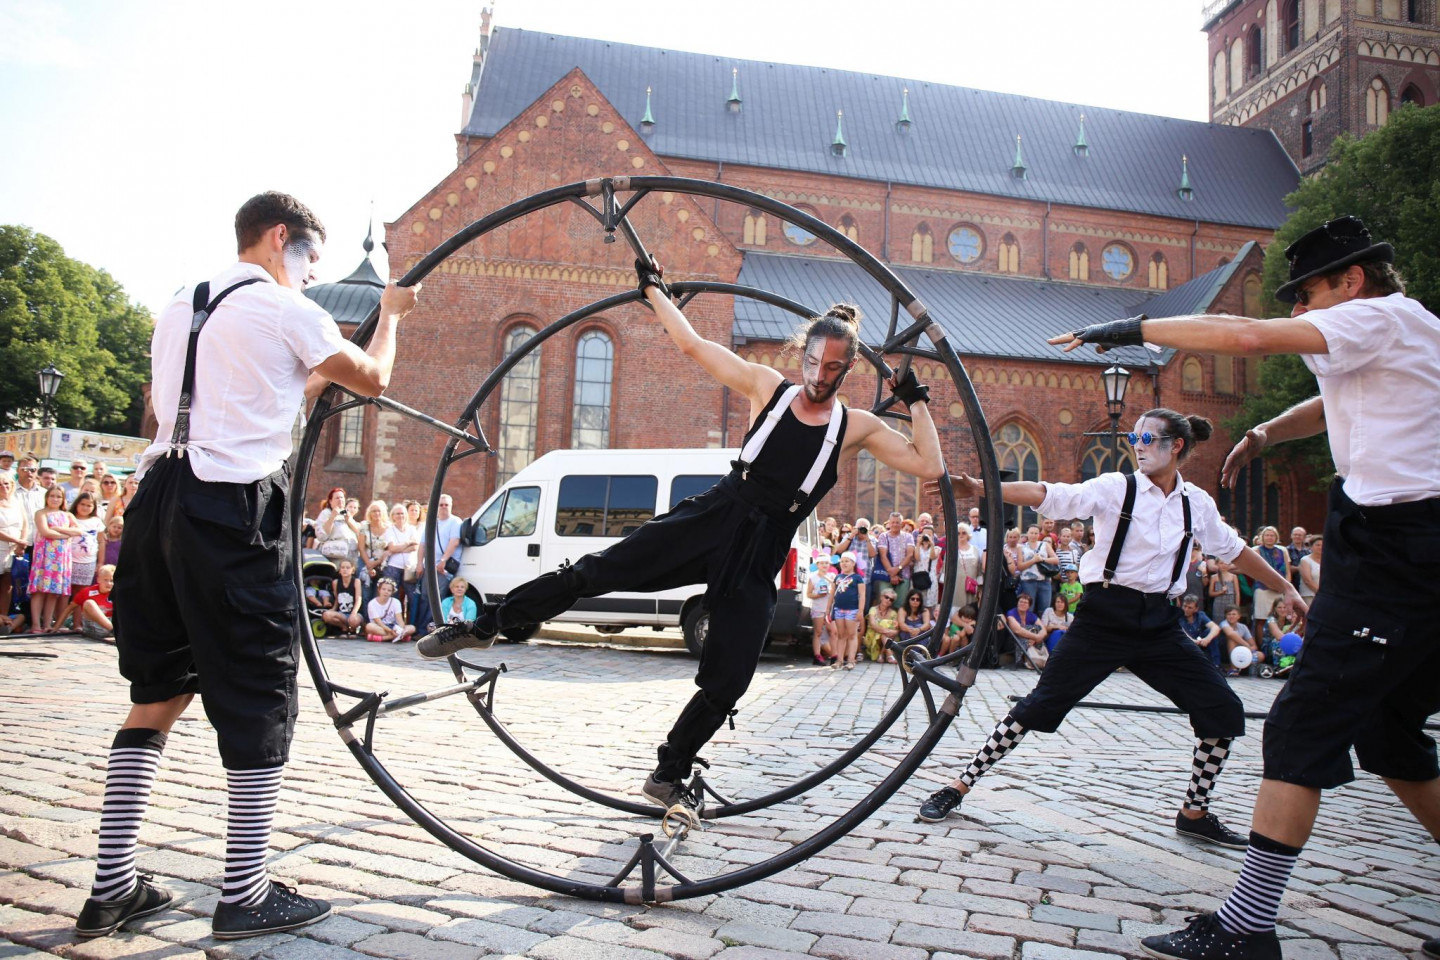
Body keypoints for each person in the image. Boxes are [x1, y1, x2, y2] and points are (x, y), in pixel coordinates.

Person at [415, 259, 944, 818]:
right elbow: (692, 345)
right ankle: (485, 625)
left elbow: (927, 464)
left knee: (730, 678)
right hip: (714, 515)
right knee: (594, 572)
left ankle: (668, 773)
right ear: (802, 354)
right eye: (812, 362)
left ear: (848, 368)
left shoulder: (854, 427)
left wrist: (915, 400)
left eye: (832, 368)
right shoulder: (768, 387)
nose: (818, 375)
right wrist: (655, 293)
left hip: (761, 551)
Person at [1058, 216, 1440, 960]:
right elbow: (1332, 404)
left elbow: (1245, 334)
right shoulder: (1407, 328)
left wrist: (1128, 329)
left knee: (1299, 726)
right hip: (1406, 542)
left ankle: (1245, 928)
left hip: (1393, 547)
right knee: (1389, 733)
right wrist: (1266, 433)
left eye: (1307, 293)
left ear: (1352, 281)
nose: (1296, 308)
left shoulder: (1375, 317)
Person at [74, 192, 418, 941]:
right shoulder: (285, 306)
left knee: (160, 689)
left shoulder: (182, 303)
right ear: (277, 236)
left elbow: (265, 390)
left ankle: (112, 889)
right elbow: (373, 379)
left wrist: (317, 370)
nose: (313, 272)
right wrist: (390, 315)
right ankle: (245, 893)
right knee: (261, 689)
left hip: (158, 500)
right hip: (231, 507)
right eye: (310, 256)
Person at [915, 409, 1303, 853]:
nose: (1137, 446)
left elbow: (1235, 551)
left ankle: (1194, 813)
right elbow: (1050, 494)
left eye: (1146, 438)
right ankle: (959, 785)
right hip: (1103, 618)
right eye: (1134, 438)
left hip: (1159, 624)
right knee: (1040, 705)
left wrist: (1287, 587)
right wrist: (982, 487)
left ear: (1175, 445)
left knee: (1223, 708)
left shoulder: (1196, 502)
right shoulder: (1116, 487)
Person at [29, 485, 81, 633]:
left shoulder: (67, 515)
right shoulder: (41, 513)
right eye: (52, 496)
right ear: (47, 497)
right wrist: (66, 535)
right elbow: (46, 532)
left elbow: (78, 531)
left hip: (60, 558)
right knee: (39, 590)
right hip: (44, 556)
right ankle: (35, 624)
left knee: (53, 591)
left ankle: (47, 624)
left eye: (59, 496)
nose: (55, 499)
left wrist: (58, 529)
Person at [414, 492, 462, 631]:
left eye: (446, 504)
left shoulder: (455, 521)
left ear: (451, 506)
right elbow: (422, 544)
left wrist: (443, 560)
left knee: (437, 599)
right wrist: (419, 563)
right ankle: (421, 628)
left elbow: (454, 542)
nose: (444, 507)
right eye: (441, 505)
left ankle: (430, 629)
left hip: (443, 568)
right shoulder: (431, 522)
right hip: (429, 567)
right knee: (424, 597)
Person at [825, 552, 866, 670]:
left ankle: (851, 661)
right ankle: (839, 660)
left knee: (852, 635)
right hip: (839, 609)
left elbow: (862, 595)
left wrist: (860, 611)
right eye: (842, 561)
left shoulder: (858, 578)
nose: (844, 563)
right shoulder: (837, 577)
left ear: (853, 563)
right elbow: (832, 594)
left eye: (847, 561)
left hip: (852, 610)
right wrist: (828, 608)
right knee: (841, 635)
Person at [0, 472, 30, 621]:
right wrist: (16, 540)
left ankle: (3, 617)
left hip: (14, 549)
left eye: (6, 483)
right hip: (2, 546)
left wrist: (21, 543)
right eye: (0, 484)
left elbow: (25, 524)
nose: (3, 487)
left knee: (7, 585)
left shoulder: (16, 502)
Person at [63, 564, 116, 643]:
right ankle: (114, 630)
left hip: (112, 624)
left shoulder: (117, 592)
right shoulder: (87, 591)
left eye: (111, 581)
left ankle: (120, 631)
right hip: (94, 628)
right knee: (89, 603)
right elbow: (69, 608)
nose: (109, 583)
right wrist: (56, 627)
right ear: (98, 579)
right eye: (105, 580)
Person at [1016, 523, 1059, 613]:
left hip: (1044, 581)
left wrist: (1042, 559)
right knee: (1029, 608)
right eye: (1031, 533)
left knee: (1045, 609)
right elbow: (1019, 566)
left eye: (1036, 533)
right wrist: (1033, 560)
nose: (1033, 535)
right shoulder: (1021, 547)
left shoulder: (1045, 545)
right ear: (1027, 533)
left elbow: (1056, 560)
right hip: (1028, 581)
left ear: (1039, 534)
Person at [69, 492, 105, 595]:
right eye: (82, 504)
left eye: (89, 505)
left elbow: (101, 542)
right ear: (76, 504)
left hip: (88, 562)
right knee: (67, 590)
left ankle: (78, 607)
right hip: (70, 560)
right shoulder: (69, 518)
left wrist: (100, 562)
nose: (85, 508)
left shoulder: (96, 521)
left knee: (82, 592)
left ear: (94, 507)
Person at [874, 511, 915, 601]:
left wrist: (898, 569)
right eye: (893, 522)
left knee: (900, 604)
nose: (895, 524)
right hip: (886, 575)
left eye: (897, 522)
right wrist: (892, 573)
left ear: (901, 523)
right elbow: (883, 556)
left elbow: (909, 555)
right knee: (884, 603)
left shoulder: (908, 537)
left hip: (904, 575)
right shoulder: (883, 536)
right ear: (889, 523)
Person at [1178, 594, 1223, 671]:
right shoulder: (1179, 616)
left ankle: (1216, 665)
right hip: (1185, 644)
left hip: (1199, 643)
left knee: (1210, 632)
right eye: (1184, 606)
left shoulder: (1200, 615)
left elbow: (1215, 627)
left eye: (1189, 608)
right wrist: (1194, 641)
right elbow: (1181, 632)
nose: (1186, 609)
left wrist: (1207, 639)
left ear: (1196, 609)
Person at [805, 553, 836, 665]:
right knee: (818, 631)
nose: (824, 565)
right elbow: (808, 594)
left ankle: (834, 656)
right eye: (822, 563)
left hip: (829, 609)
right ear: (817, 564)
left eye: (826, 563)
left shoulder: (832, 576)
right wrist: (818, 595)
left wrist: (825, 577)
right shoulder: (812, 577)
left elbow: (835, 587)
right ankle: (817, 656)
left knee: (833, 631)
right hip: (818, 607)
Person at [1005, 592, 1048, 669]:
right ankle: (1034, 661)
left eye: (1025, 603)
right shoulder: (1011, 613)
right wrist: (1035, 637)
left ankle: (1041, 659)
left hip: (1031, 641)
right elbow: (1017, 630)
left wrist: (1037, 638)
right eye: (1021, 602)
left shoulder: (1031, 615)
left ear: (1029, 606)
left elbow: (1044, 630)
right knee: (1032, 630)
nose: (1022, 604)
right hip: (1013, 641)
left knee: (1037, 629)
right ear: (1017, 603)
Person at [365, 577, 416, 642]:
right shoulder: (372, 603)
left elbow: (400, 620)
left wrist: (400, 630)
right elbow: (379, 622)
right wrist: (391, 631)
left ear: (392, 592)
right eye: (383, 589)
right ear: (379, 590)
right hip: (380, 627)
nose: (386, 592)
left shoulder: (396, 602)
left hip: (394, 627)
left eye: (389, 590)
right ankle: (396, 637)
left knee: (412, 628)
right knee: (369, 626)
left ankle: (383, 637)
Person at [322, 560, 364, 636]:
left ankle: (353, 630)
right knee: (326, 615)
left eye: (348, 568)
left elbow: (358, 599)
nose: (345, 570)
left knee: (353, 620)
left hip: (355, 612)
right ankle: (344, 627)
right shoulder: (335, 582)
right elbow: (337, 599)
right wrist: (333, 609)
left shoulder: (356, 581)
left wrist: (354, 613)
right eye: (343, 567)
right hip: (342, 613)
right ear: (339, 570)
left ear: (352, 570)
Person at [864, 587, 900, 664]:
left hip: (887, 638)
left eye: (891, 599)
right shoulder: (873, 609)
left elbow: (896, 630)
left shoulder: (893, 613)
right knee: (885, 628)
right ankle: (888, 655)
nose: (888, 600)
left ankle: (882, 654)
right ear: (881, 597)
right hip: (872, 637)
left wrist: (888, 632)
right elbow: (873, 625)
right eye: (886, 597)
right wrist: (887, 631)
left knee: (885, 635)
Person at [1298, 536, 1321, 602]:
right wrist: (1321, 593)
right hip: (1309, 596)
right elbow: (1307, 580)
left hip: (1326, 596)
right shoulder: (1305, 560)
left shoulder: (1328, 560)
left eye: (1322, 545)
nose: (1320, 547)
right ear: (1311, 547)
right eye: (1317, 545)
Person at [1286, 526, 1309, 590]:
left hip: (1306, 586)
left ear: (1304, 537)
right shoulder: (1286, 550)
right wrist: (1300, 568)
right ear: (1291, 536)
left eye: (1300, 535)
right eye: (1295, 534)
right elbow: (1286, 568)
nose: (1297, 536)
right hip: (1292, 585)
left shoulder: (1308, 551)